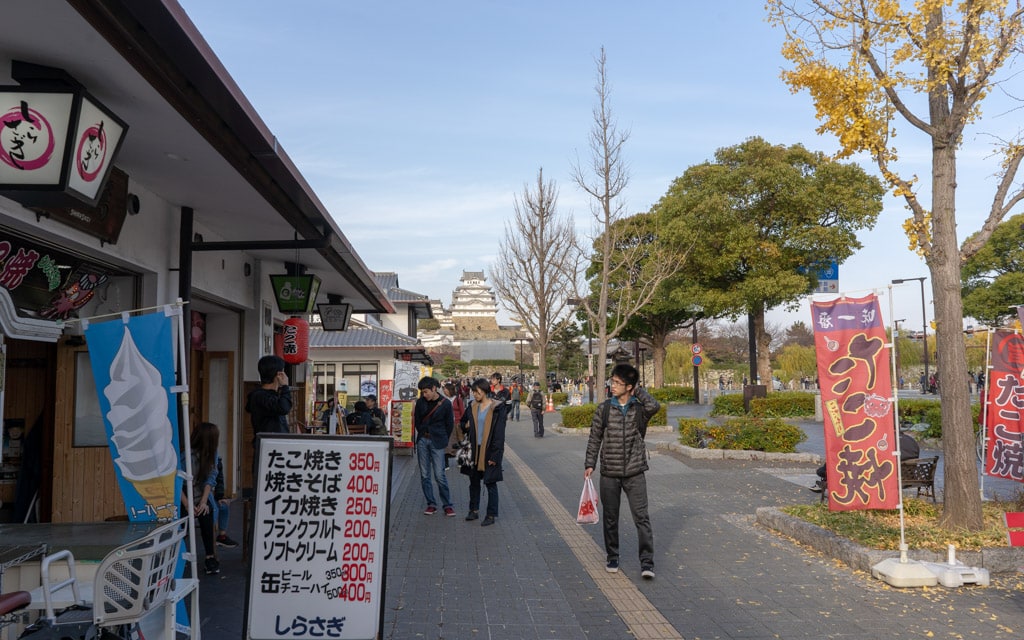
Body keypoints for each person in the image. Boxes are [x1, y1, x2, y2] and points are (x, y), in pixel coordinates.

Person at [584, 363, 660, 579]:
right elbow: (594, 438)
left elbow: (655, 406)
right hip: (609, 472)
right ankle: (613, 555)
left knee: (642, 517)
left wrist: (638, 390)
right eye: (612, 381)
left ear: (629, 387)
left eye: (618, 382)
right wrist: (590, 464)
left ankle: (647, 562)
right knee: (610, 517)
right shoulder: (605, 409)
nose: (613, 385)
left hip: (635, 472)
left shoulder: (639, 409)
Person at [454, 378, 507, 526]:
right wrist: (466, 425)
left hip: (489, 450)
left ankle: (491, 514)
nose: (475, 395)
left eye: (477, 392)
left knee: (490, 483)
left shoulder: (497, 408)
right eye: (473, 392)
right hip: (474, 450)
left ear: (484, 391)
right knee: (474, 481)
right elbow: (462, 424)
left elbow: (499, 434)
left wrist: (495, 455)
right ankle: (474, 510)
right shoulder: (472, 406)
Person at [811, 426, 919, 492]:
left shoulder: (884, 443)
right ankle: (826, 476)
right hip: (909, 478)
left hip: (887, 479)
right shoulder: (912, 442)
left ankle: (826, 476)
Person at [414, 376, 456, 516]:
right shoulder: (420, 402)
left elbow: (449, 424)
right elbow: (417, 421)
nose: (424, 395)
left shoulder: (445, 404)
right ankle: (431, 503)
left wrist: (442, 438)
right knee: (425, 475)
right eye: (422, 392)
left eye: (426, 391)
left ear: (434, 388)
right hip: (422, 441)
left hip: (437, 441)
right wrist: (422, 433)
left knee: (439, 474)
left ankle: (447, 504)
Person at [184, 422, 221, 575]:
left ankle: (210, 557)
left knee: (207, 512)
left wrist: (204, 501)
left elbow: (211, 478)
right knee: (179, 520)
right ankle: (179, 556)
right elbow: (176, 482)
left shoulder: (213, 453)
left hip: (200, 495)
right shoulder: (185, 455)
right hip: (182, 496)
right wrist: (188, 505)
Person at [246, 355, 292, 437]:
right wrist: (285, 386)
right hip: (268, 446)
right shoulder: (259, 396)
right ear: (279, 374)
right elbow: (284, 408)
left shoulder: (266, 395)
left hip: (276, 446)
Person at [213, 455, 239, 548]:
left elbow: (219, 480)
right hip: (197, 496)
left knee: (224, 506)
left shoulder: (217, 460)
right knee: (212, 511)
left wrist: (220, 497)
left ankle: (222, 536)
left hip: (209, 495)